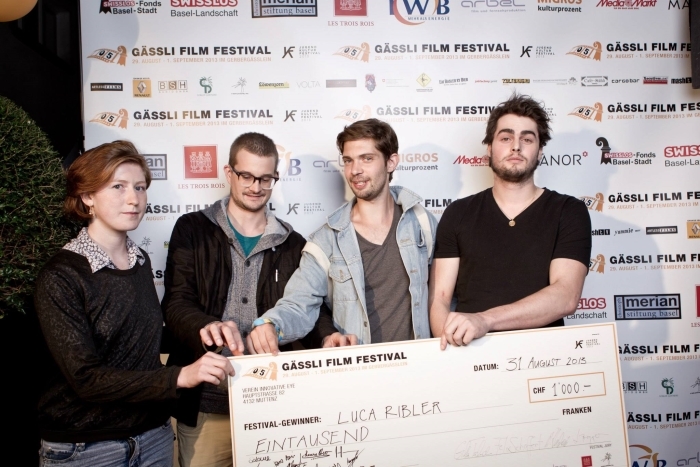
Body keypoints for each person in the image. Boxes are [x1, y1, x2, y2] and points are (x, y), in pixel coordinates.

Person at [34, 141, 234, 467]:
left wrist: (206, 329)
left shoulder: (139, 260)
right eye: (118, 187)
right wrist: (178, 377)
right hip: (87, 448)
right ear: (87, 196)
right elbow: (85, 379)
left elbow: (136, 340)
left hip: (152, 438)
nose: (134, 199)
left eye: (140, 187)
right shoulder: (62, 275)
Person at [162, 132, 328, 467]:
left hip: (274, 407)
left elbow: (308, 306)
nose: (256, 186)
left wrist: (328, 336)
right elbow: (176, 303)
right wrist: (207, 326)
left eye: (265, 178)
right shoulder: (191, 229)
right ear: (229, 173)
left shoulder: (294, 244)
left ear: (274, 178)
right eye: (246, 176)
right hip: (206, 404)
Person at [247, 118, 437, 354]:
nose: (355, 170)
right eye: (348, 160)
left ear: (391, 162)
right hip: (359, 370)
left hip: (419, 366)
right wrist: (271, 324)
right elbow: (298, 303)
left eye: (367, 158)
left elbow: (444, 296)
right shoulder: (326, 240)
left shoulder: (421, 222)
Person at [430, 94, 592, 349]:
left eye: (527, 139)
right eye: (505, 138)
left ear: (540, 151)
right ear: (489, 148)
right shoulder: (458, 213)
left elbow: (566, 296)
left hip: (547, 357)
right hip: (471, 353)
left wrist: (485, 320)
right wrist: (451, 347)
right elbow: (439, 299)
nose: (516, 146)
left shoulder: (568, 211)